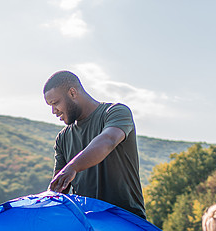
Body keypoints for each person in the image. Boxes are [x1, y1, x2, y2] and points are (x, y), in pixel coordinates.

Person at [43, 70, 146, 219]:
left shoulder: (115, 112)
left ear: (72, 93)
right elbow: (59, 188)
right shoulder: (62, 139)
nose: (53, 111)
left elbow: (108, 140)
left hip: (126, 220)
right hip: (90, 225)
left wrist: (73, 167)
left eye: (55, 103)